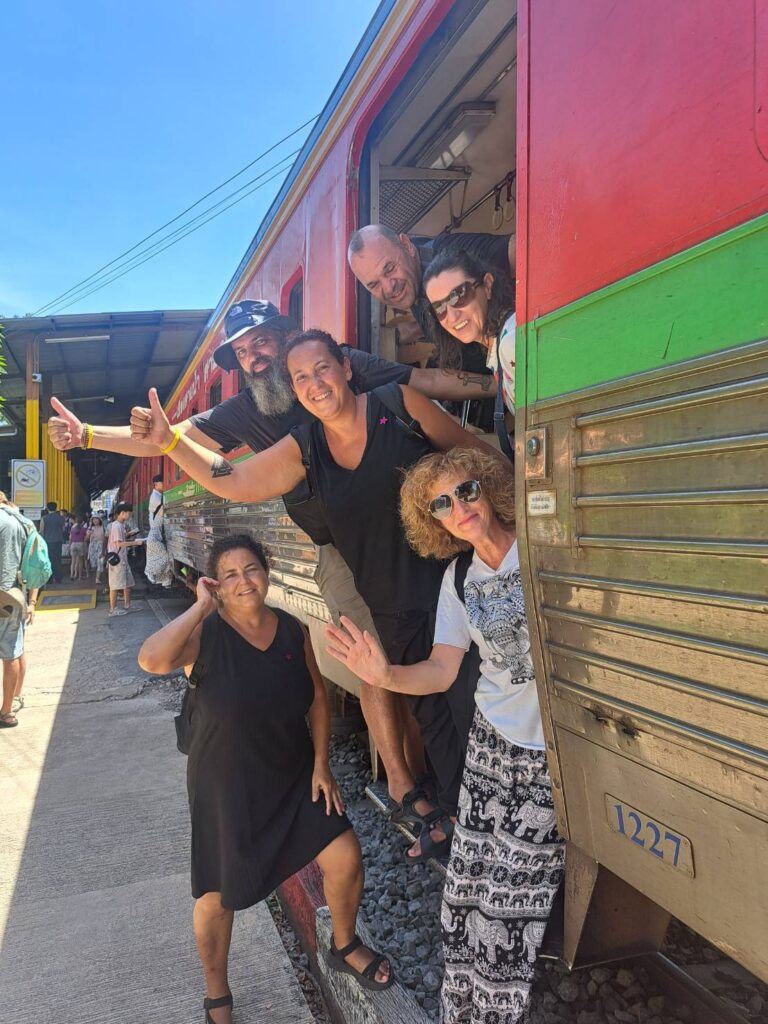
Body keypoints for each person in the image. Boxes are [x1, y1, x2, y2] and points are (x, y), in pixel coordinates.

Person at [47, 298, 493, 841]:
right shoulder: (248, 409)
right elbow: (172, 436)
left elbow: (421, 381)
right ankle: (404, 783)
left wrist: (497, 373)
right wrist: (88, 435)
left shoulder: (343, 367)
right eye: (242, 352)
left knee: (450, 658)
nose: (254, 357)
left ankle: (469, 787)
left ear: (287, 337)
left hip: (414, 524)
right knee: (372, 647)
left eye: (261, 341)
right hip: (338, 544)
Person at [326, 447, 564, 1024]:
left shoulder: (541, 546)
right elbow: (441, 669)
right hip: (490, 751)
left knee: (507, 914)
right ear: (433, 521)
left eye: (466, 490)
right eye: (441, 504)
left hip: (547, 761)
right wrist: (385, 676)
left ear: (488, 488)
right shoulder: (459, 578)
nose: (458, 507)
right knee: (462, 903)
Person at [138, 534, 392, 1022]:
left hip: (293, 773)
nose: (244, 581)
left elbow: (317, 699)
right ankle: (217, 992)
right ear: (216, 584)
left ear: (267, 572)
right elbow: (151, 660)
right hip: (226, 785)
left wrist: (322, 764)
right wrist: (200, 607)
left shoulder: (293, 630)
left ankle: (344, 944)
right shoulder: (204, 635)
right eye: (230, 575)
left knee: (345, 855)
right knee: (217, 898)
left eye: (251, 569)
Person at [347, 223, 514, 344]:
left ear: (407, 245)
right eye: (374, 285)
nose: (389, 287)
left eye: (390, 268)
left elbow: (522, 247)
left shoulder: (453, 253)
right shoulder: (411, 288)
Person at [423, 248, 515, 413]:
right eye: (439, 308)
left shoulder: (511, 342)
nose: (452, 317)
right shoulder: (499, 346)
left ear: (487, 285)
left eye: (459, 295)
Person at [0, 495, 40, 729]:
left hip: (3, 591)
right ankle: (8, 708)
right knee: (14, 650)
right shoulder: (23, 523)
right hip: (16, 595)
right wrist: (32, 601)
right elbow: (36, 564)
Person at [107, 502, 144, 617]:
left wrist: (130, 535)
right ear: (122, 513)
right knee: (115, 584)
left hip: (123, 559)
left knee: (127, 583)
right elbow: (119, 544)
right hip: (117, 560)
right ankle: (113, 609)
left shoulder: (121, 525)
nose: (130, 515)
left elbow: (121, 540)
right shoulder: (116, 526)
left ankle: (127, 605)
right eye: (129, 513)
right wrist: (135, 543)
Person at [145, 472, 173, 588]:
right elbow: (167, 508)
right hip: (155, 534)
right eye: (163, 482)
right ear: (156, 484)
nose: (165, 484)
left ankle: (165, 580)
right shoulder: (156, 497)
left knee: (161, 557)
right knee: (164, 556)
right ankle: (150, 572)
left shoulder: (157, 495)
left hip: (157, 533)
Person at [39, 500, 65, 583]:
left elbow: (41, 531)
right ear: (56, 508)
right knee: (57, 559)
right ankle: (58, 578)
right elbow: (63, 529)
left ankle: (49, 578)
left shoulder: (44, 518)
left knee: (48, 559)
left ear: (47, 508)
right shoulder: (61, 518)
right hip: (58, 540)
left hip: (48, 541)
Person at [86, 515, 107, 583]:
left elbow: (106, 538)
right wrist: (89, 534)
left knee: (100, 562)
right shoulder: (90, 528)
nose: (95, 520)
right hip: (92, 546)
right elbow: (86, 539)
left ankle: (97, 578)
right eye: (93, 519)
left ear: (99, 520)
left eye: (96, 519)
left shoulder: (103, 528)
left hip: (101, 546)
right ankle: (96, 575)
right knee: (93, 564)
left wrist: (104, 549)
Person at [68, 516, 88, 580]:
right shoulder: (84, 529)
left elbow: (70, 538)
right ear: (82, 522)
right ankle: (79, 576)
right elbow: (86, 538)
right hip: (80, 544)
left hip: (73, 544)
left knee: (73, 561)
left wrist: (70, 545)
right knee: (80, 562)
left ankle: (72, 575)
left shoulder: (72, 529)